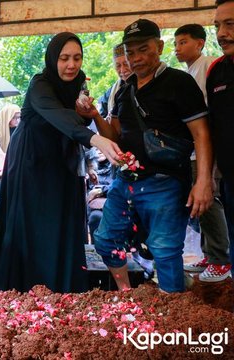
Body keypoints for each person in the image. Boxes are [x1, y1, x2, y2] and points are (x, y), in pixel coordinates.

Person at [0, 32, 121, 293]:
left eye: (77, 58)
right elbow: (58, 116)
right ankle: (29, 284)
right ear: (53, 58)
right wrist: (95, 140)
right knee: (33, 220)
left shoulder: (80, 82)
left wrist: (86, 114)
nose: (71, 65)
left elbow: (78, 119)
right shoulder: (39, 84)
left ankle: (60, 282)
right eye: (64, 58)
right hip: (30, 159)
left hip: (61, 158)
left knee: (59, 217)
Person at [79, 19, 213, 293]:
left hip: (166, 181)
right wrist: (94, 116)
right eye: (131, 52)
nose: (136, 58)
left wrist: (203, 181)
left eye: (144, 49)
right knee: (105, 239)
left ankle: (171, 307)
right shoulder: (125, 90)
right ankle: (128, 293)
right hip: (125, 180)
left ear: (160, 47)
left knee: (164, 250)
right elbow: (115, 135)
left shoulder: (179, 82)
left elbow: (201, 134)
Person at [175, 23, 231, 282]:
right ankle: (211, 253)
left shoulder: (210, 66)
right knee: (201, 205)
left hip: (205, 150)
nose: (178, 48)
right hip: (192, 151)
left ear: (200, 43)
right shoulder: (189, 71)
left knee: (210, 202)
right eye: (176, 43)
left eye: (184, 42)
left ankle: (221, 259)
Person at [206, 0, 234, 282]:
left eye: (230, 24)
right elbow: (213, 126)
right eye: (217, 26)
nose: (222, 33)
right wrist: (212, 173)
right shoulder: (217, 70)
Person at [97, 44, 133, 119]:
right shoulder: (111, 94)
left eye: (126, 64)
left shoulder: (146, 87)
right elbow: (101, 116)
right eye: (118, 66)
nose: (122, 70)